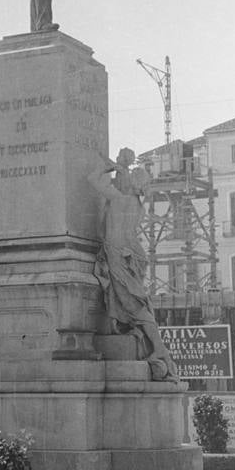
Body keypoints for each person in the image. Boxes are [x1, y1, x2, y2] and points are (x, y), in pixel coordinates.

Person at [88, 150, 178, 381]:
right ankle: (158, 347)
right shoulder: (136, 205)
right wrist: (121, 170)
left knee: (134, 306)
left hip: (118, 255)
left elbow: (92, 180)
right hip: (132, 254)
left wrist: (108, 168)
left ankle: (159, 348)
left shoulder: (118, 199)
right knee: (137, 303)